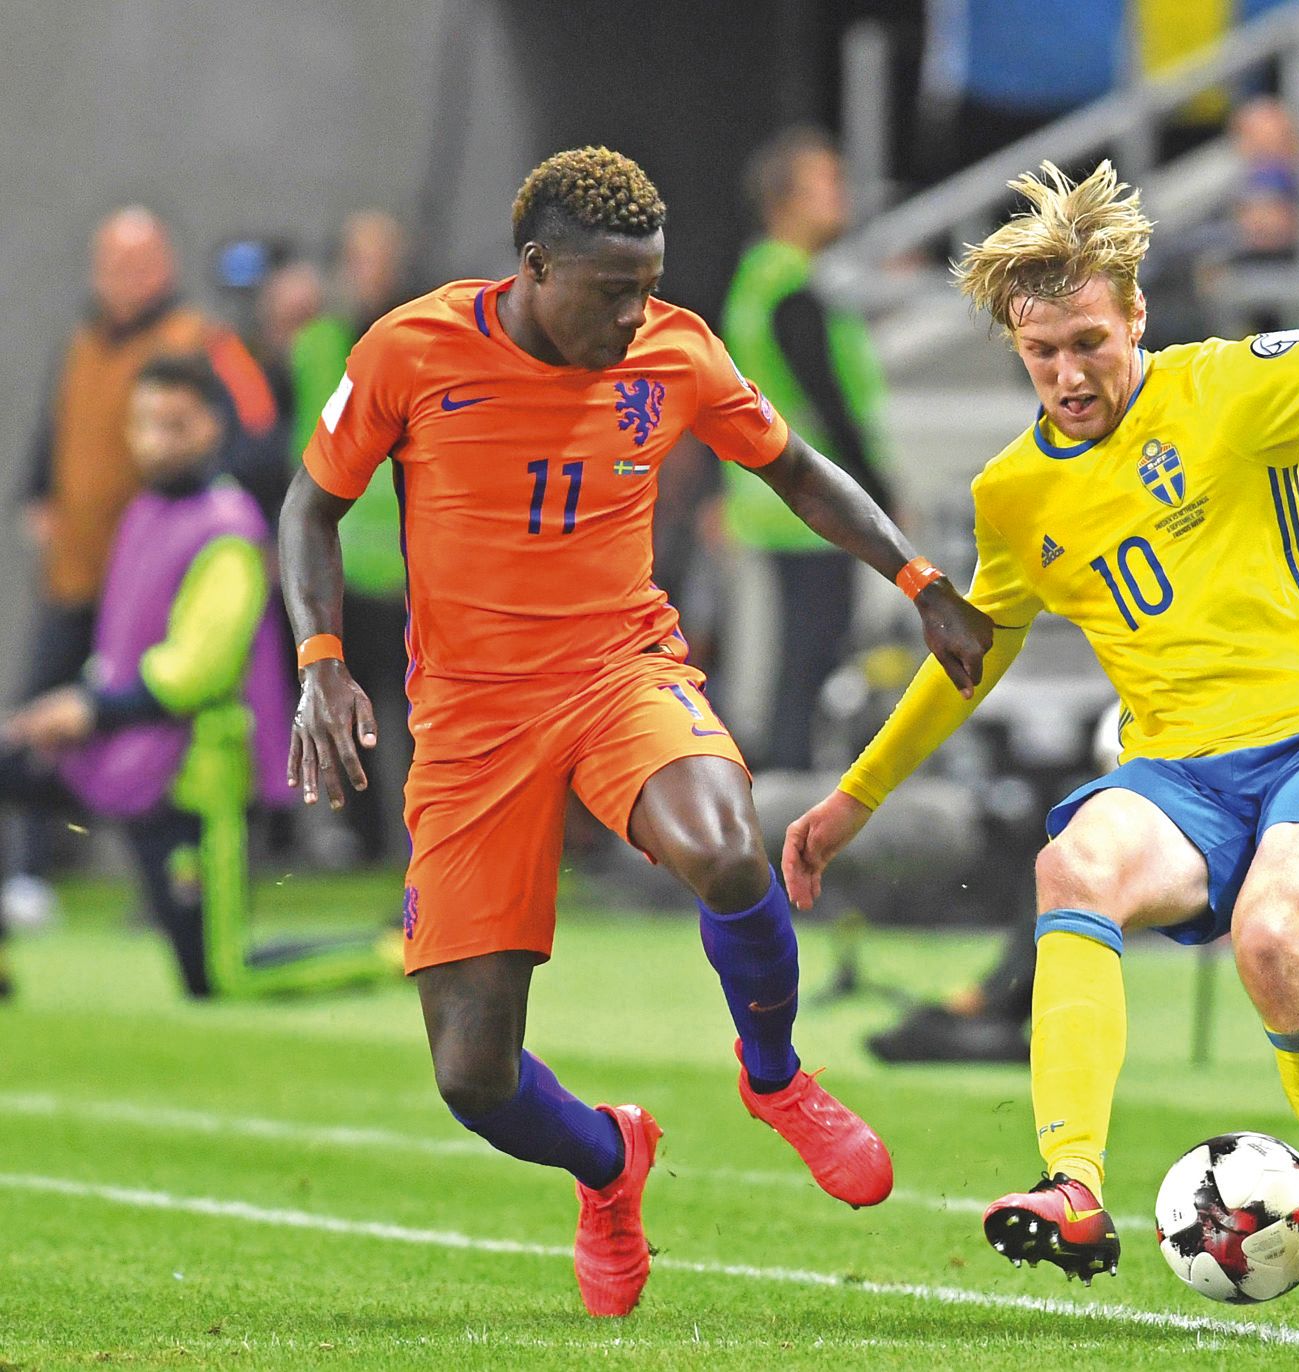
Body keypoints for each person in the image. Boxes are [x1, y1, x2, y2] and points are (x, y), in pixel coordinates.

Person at [784, 159, 1299, 1343]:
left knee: (1271, 941)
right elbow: (964, 657)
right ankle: (1075, 1189)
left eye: (1090, 340)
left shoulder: (1227, 388)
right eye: (1043, 354)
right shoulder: (1014, 493)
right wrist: (852, 801)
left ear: (1134, 315)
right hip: (1182, 774)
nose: (1069, 373)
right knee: (1069, 869)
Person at [279, 147, 992, 1319]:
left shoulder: (676, 348)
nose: (633, 313)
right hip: (469, 719)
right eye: (611, 289)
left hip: (620, 670)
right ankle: (610, 1161)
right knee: (474, 1077)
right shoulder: (410, 350)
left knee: (725, 845)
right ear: (534, 266)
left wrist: (918, 579)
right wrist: (321, 664)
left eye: (647, 285)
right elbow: (311, 505)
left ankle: (776, 1078)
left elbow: (797, 470)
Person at [0, 355, 385, 1000]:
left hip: (197, 781)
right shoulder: (145, 512)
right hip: (126, 754)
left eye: (173, 425)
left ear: (210, 427)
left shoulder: (228, 532)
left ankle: (391, 953)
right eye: (144, 424)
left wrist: (86, 708)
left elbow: (196, 671)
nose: (154, 441)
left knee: (219, 976)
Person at [8, 208, 278, 932]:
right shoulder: (82, 343)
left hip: (163, 573)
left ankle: (175, 882)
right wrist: (38, 496)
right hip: (81, 570)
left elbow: (259, 435)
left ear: (162, 265)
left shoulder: (203, 342)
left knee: (160, 725)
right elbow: (55, 430)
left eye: (136, 264)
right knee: (40, 717)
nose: (121, 280)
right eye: (110, 264)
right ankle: (28, 872)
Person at [722, 128, 895, 770]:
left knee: (794, 663)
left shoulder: (754, 278)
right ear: (785, 199)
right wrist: (877, 492)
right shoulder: (792, 289)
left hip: (773, 500)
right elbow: (828, 404)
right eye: (827, 183)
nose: (841, 194)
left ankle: (778, 800)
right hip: (816, 504)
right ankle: (788, 801)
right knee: (813, 661)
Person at [288, 210, 415, 861]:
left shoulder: (423, 340)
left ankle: (424, 838)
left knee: (421, 715)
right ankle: (361, 840)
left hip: (416, 565)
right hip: (347, 561)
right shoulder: (315, 345)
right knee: (353, 707)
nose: (374, 273)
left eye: (383, 258)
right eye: (362, 259)